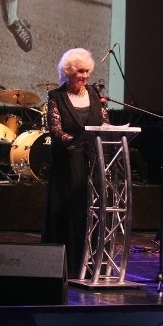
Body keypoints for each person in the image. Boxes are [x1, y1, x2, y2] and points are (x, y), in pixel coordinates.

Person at [41, 48, 109, 277]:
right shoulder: (56, 97)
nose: (85, 76)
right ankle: (67, 266)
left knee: (93, 210)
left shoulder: (95, 94)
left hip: (93, 162)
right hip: (67, 164)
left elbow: (104, 125)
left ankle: (93, 264)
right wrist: (79, 142)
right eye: (80, 71)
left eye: (87, 71)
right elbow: (56, 130)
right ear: (69, 72)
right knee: (70, 212)